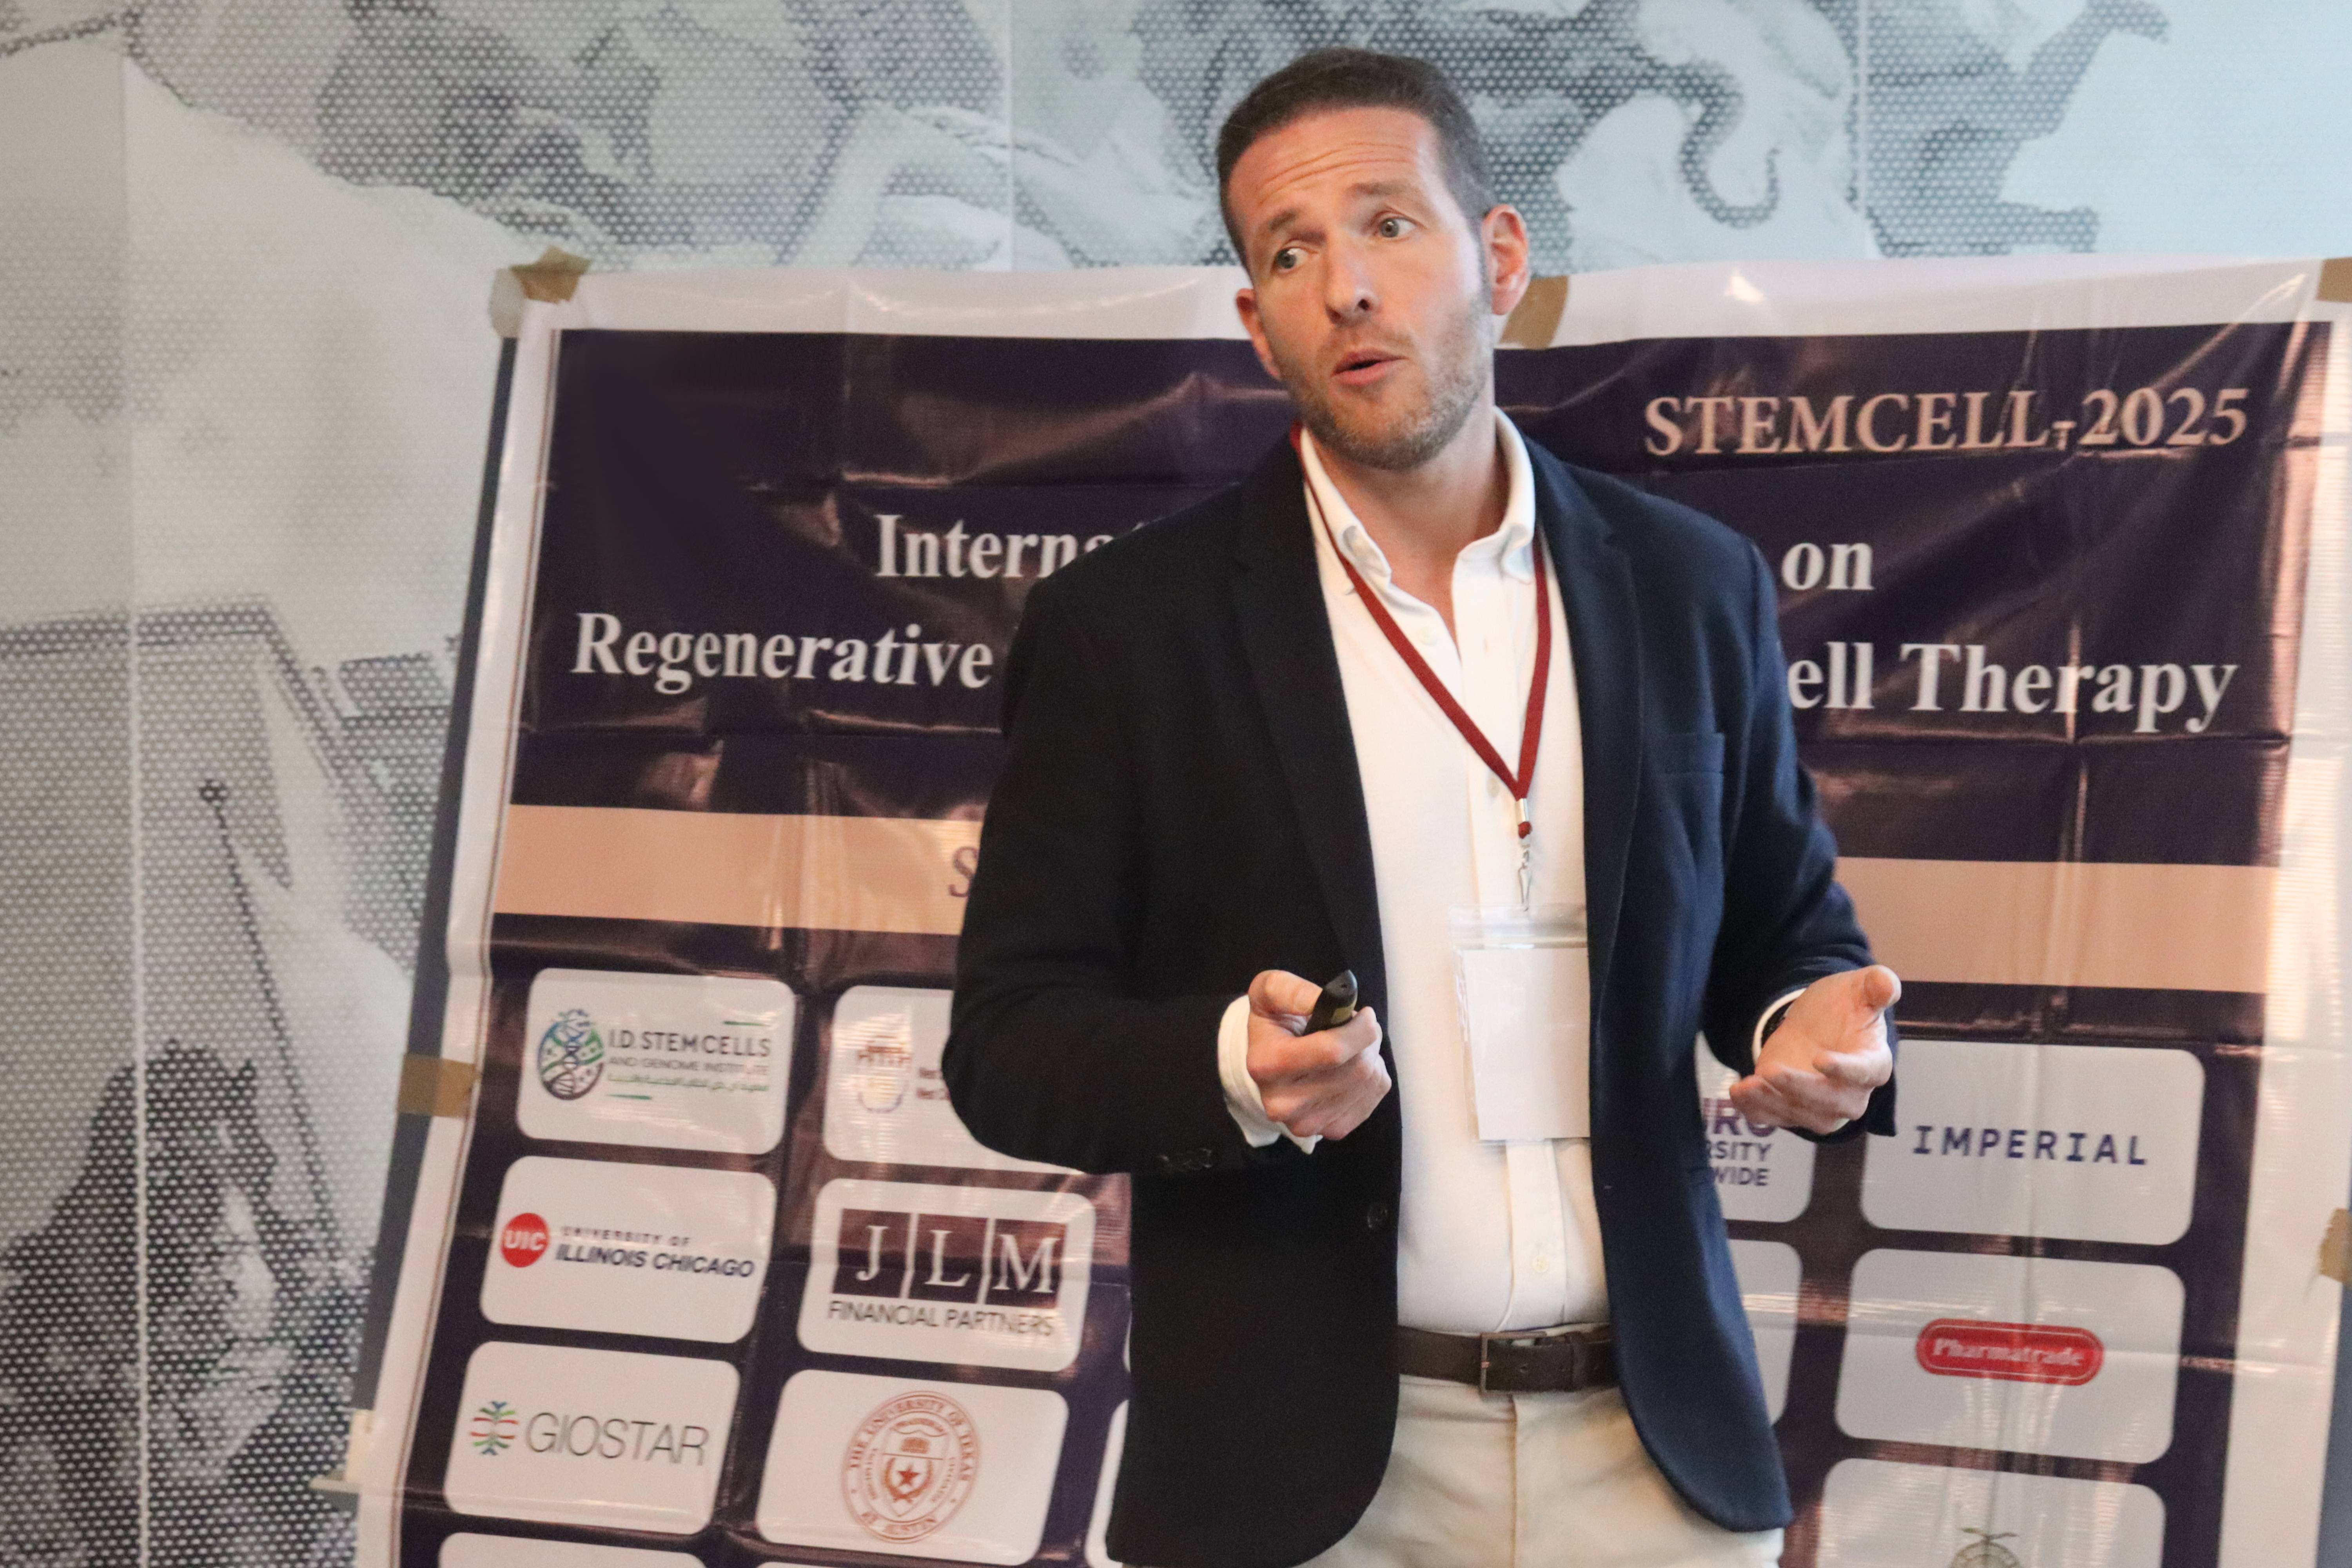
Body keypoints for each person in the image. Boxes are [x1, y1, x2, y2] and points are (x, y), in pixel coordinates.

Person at [945, 47, 1898, 1568]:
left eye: (1390, 224)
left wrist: (1813, 1023)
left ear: (1499, 257)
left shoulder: (1689, 584)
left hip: (1652, 1461)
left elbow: (1786, 931)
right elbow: (1006, 1046)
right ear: (1256, 324)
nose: (1346, 287)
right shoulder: (1126, 632)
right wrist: (1232, 1067)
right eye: (1290, 253)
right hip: (1306, 1480)